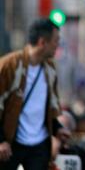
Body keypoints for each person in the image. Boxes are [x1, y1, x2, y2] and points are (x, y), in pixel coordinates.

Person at [0, 18, 63, 169]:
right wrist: (0, 140)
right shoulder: (9, 65)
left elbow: (46, 108)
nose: (57, 46)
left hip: (39, 144)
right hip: (11, 142)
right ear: (42, 42)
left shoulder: (50, 69)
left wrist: (58, 129)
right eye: (55, 41)